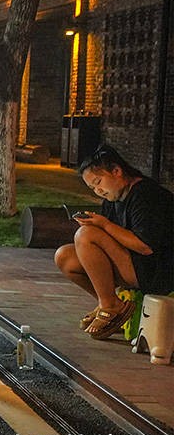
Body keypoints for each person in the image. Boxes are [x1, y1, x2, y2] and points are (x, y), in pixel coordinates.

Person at [54, 145, 173, 340]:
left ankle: (110, 305)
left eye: (99, 182)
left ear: (117, 171)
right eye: (92, 188)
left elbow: (145, 246)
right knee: (65, 256)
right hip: (133, 265)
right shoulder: (113, 198)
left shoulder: (147, 195)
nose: (98, 191)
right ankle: (108, 303)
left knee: (86, 235)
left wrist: (104, 225)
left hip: (157, 270)